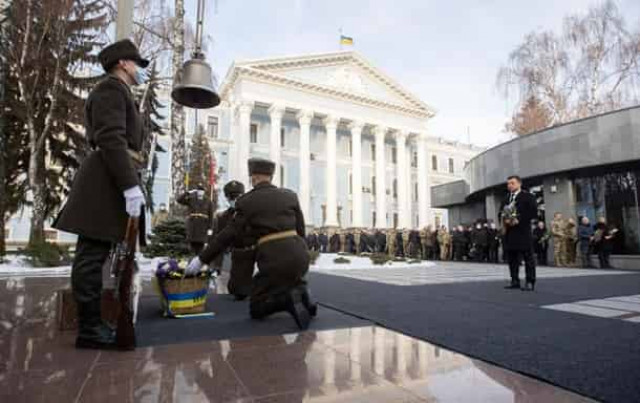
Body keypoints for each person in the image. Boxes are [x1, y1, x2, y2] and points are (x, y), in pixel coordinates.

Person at [53, 39, 150, 349]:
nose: (138, 70)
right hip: (104, 181)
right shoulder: (111, 90)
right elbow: (111, 138)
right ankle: (90, 328)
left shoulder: (119, 92)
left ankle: (93, 324)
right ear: (123, 62)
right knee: (91, 256)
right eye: (136, 63)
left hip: (111, 178)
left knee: (98, 254)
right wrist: (129, 185)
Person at [187, 157, 316, 329]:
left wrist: (201, 259)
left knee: (256, 308)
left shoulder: (247, 201)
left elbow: (227, 235)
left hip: (274, 261)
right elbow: (301, 230)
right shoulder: (290, 195)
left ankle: (286, 301)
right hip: (300, 257)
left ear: (253, 178)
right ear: (270, 176)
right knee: (289, 275)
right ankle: (302, 292)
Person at [212, 180, 253, 300]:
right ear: (227, 198)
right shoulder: (222, 217)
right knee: (225, 294)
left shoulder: (251, 214)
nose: (234, 200)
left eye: (238, 196)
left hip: (248, 257)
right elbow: (218, 241)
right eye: (231, 197)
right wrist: (216, 265)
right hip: (227, 258)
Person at [501, 175, 538, 291]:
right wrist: (505, 219)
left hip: (523, 232)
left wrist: (519, 219)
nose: (510, 186)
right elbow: (500, 212)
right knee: (512, 258)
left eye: (512, 183)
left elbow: (533, 212)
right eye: (508, 184)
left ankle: (530, 281)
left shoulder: (528, 196)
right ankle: (514, 280)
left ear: (519, 184)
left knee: (528, 258)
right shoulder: (506, 198)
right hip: (510, 233)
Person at [178, 184, 214, 255]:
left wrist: (210, 228)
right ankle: (191, 262)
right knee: (191, 248)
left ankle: (198, 262)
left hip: (203, 227)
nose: (200, 192)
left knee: (200, 248)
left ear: (204, 192)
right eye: (199, 191)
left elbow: (211, 216)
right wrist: (188, 192)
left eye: (202, 191)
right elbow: (179, 200)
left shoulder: (208, 201)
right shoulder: (191, 199)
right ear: (196, 191)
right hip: (192, 227)